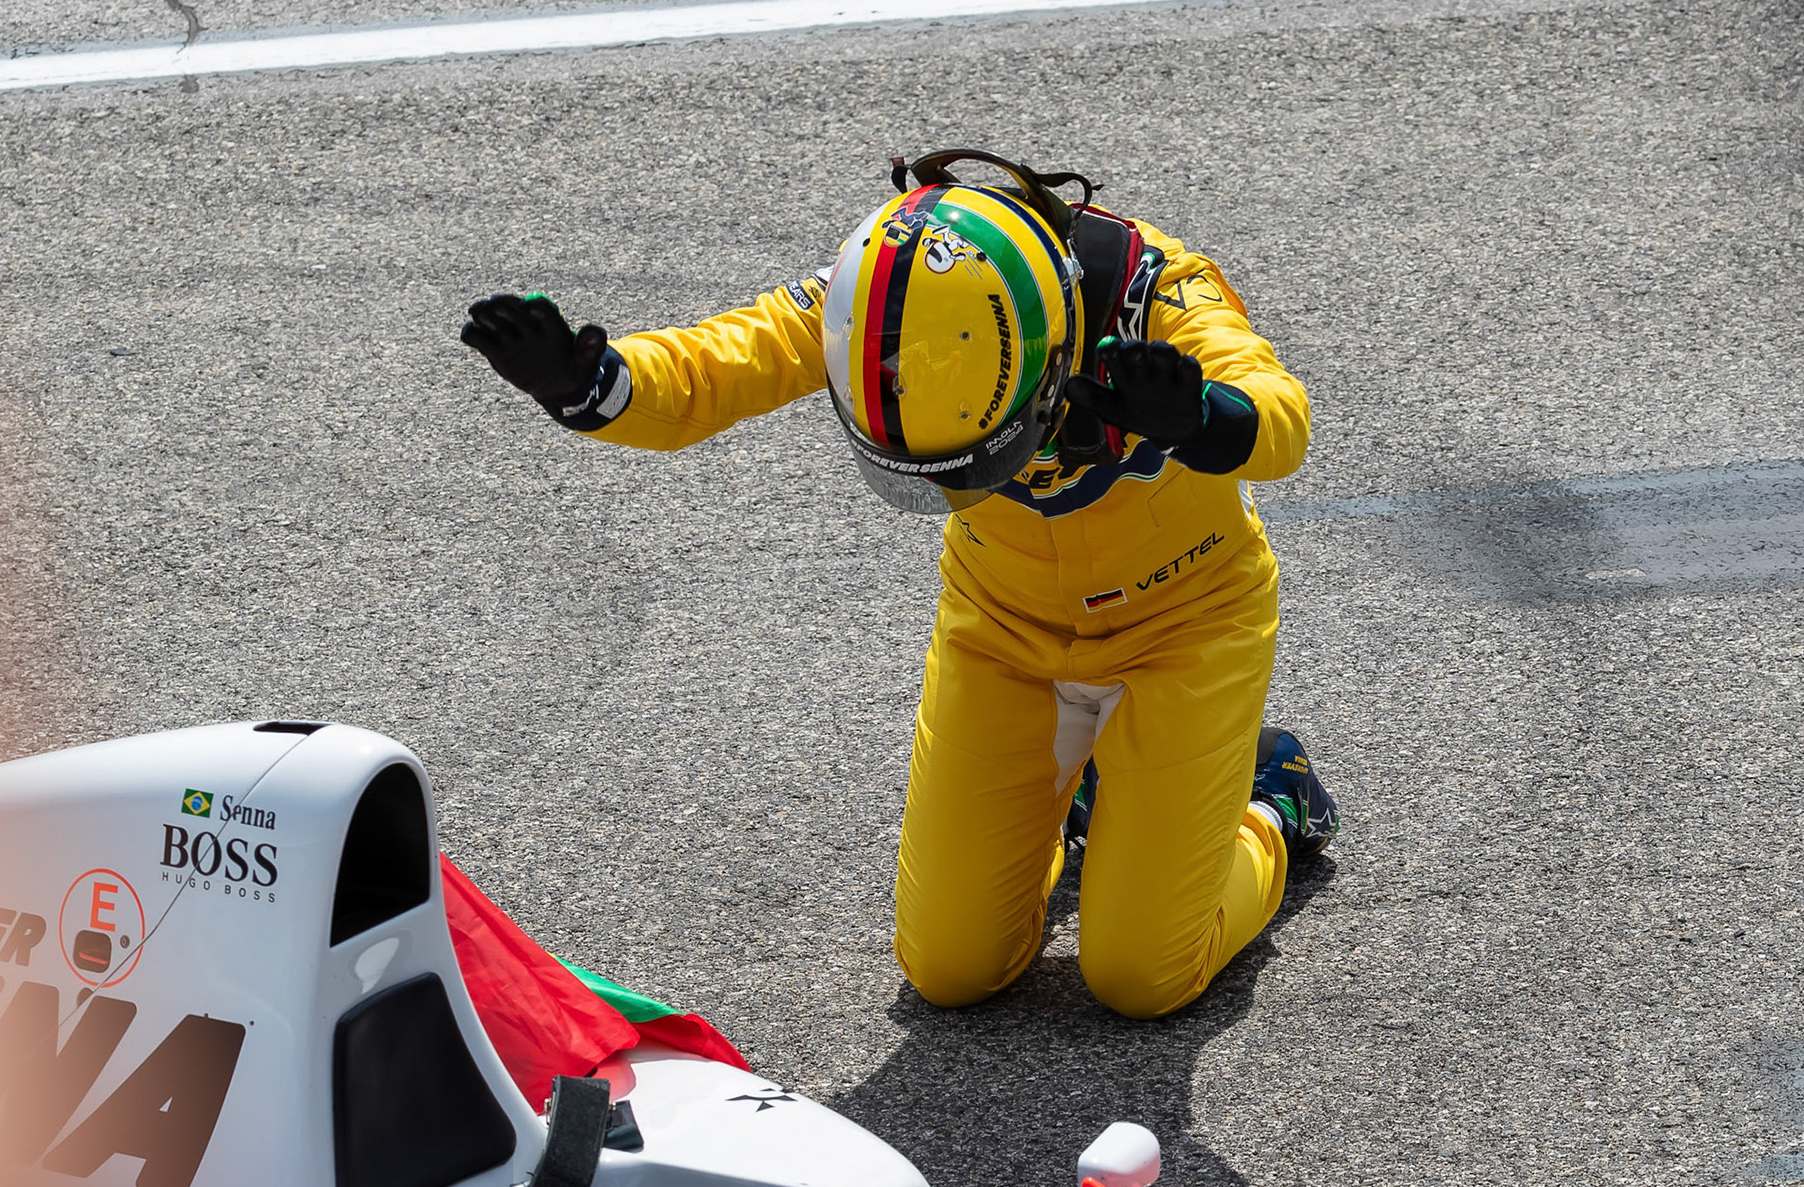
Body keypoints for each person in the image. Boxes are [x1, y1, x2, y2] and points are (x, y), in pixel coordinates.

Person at [461, 149, 1337, 1019]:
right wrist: (586, 384)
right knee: (952, 971)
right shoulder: (878, 285)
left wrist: (1199, 418)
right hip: (1002, 628)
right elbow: (717, 365)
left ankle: (1269, 801)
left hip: (1187, 629)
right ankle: (1111, 800)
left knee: (1140, 979)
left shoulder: (1155, 285)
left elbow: (1279, 415)